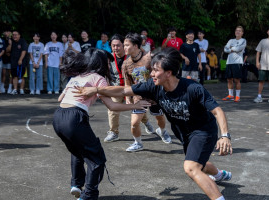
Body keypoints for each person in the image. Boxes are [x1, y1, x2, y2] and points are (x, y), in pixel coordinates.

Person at [74, 47, 233, 200]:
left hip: (203, 131)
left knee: (191, 167)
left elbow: (217, 110)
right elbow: (123, 90)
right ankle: (219, 174)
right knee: (200, 164)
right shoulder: (153, 86)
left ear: (169, 73)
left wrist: (225, 136)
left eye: (156, 70)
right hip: (184, 133)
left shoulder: (193, 88)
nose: (151, 74)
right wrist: (96, 90)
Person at [53, 48, 151, 200]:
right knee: (97, 159)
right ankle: (88, 196)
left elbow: (60, 98)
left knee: (77, 152)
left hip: (58, 117)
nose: (109, 65)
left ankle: (76, 184)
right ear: (100, 63)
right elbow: (113, 106)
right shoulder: (98, 78)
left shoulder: (77, 76)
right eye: (107, 62)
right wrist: (136, 106)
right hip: (74, 118)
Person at [121, 33, 171, 152]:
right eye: (124, 45)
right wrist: (128, 97)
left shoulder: (150, 57)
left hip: (155, 95)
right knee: (134, 123)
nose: (124, 48)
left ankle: (162, 131)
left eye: (127, 45)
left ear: (136, 46)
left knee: (160, 118)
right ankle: (138, 143)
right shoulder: (126, 64)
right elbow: (128, 83)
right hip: (139, 96)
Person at [104, 34, 127, 142]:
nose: (115, 48)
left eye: (118, 45)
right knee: (112, 109)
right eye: (113, 46)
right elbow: (105, 72)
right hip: (116, 87)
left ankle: (145, 121)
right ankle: (113, 132)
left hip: (130, 87)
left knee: (139, 109)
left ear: (123, 45)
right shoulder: (109, 58)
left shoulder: (131, 56)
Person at [222, 26, 246, 102]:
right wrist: (233, 48)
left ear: (242, 33)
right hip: (229, 62)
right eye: (236, 30)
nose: (237, 32)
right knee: (229, 79)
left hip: (237, 62)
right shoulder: (231, 40)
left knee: (236, 80)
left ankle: (237, 96)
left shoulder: (243, 40)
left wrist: (231, 48)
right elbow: (225, 49)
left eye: (239, 31)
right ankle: (230, 95)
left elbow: (239, 49)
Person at [6, 30, 28, 95]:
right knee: (14, 76)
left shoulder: (22, 41)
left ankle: (21, 89)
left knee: (22, 76)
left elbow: (24, 51)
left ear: (19, 35)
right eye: (13, 35)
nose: (14, 36)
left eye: (16, 35)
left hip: (22, 62)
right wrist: (10, 44)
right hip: (13, 61)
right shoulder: (11, 41)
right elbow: (7, 50)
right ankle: (15, 89)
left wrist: (20, 59)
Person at [254, 27, 269, 103]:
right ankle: (259, 97)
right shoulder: (263, 41)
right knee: (261, 81)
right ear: (267, 32)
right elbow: (258, 52)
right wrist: (257, 62)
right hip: (263, 65)